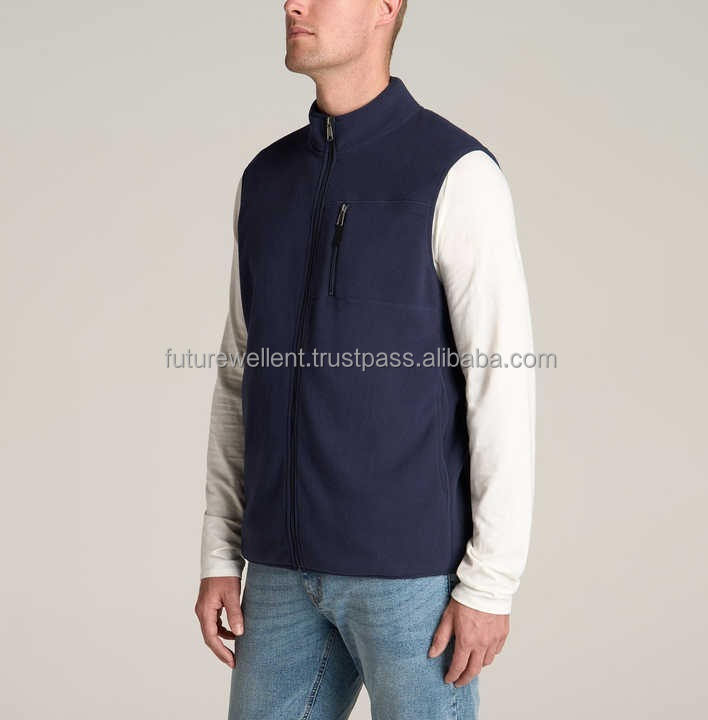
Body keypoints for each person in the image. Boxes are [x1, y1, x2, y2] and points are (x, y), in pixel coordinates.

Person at [194, 1, 535, 718]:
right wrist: (221, 553)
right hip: (278, 575)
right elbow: (239, 374)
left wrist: (490, 583)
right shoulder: (266, 180)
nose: (293, 4)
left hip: (411, 580)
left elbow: (501, 383)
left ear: (386, 7)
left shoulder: (456, 173)